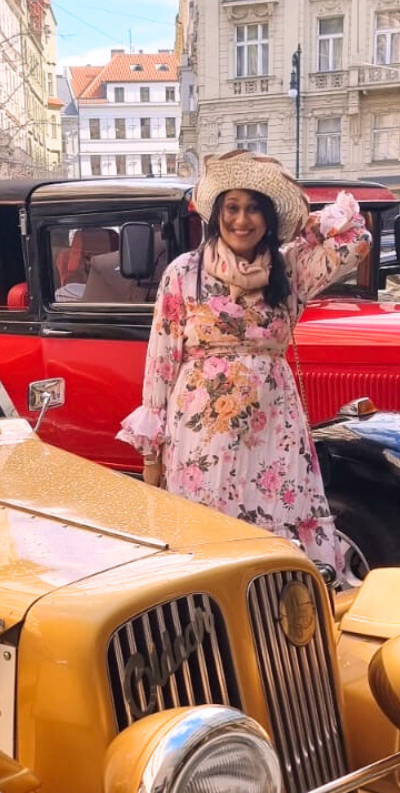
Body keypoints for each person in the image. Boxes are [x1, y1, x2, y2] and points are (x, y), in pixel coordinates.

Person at [116, 149, 371, 571]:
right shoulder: (185, 272)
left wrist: (308, 229)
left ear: (269, 218)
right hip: (202, 441)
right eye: (232, 207)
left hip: (275, 431)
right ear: (216, 214)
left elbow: (355, 242)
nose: (241, 219)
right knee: (206, 544)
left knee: (275, 544)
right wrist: (151, 456)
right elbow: (160, 361)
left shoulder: (289, 270)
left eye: (254, 209)